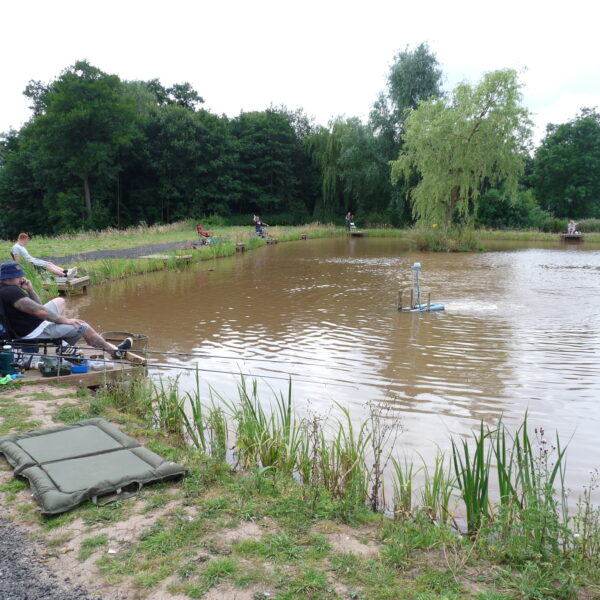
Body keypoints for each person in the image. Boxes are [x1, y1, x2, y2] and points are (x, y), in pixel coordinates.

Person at [0, 261, 141, 362]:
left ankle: (63, 344)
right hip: (34, 331)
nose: (21, 278)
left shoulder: (8, 289)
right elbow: (40, 311)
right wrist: (65, 321)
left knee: (60, 301)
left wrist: (29, 289)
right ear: (8, 278)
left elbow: (38, 305)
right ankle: (115, 352)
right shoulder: (10, 291)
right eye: (19, 276)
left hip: (33, 323)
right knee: (82, 326)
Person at [11, 233, 77, 279]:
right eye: (26, 240)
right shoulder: (16, 247)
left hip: (33, 260)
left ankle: (67, 271)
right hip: (30, 263)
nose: (27, 242)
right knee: (47, 266)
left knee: (50, 263)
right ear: (23, 239)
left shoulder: (21, 246)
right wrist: (26, 263)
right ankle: (65, 275)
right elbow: (17, 260)